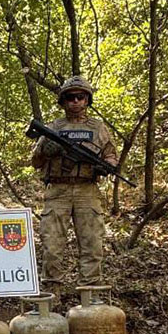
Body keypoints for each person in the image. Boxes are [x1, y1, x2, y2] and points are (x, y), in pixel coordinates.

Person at [28, 75, 119, 288]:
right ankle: (51, 297)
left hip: (87, 190)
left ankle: (89, 297)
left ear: (87, 100)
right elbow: (35, 162)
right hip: (58, 190)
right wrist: (44, 150)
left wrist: (106, 166)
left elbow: (111, 156)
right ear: (63, 101)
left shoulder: (98, 128)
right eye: (70, 97)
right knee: (52, 244)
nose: (75, 101)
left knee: (92, 243)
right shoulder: (53, 128)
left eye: (80, 97)